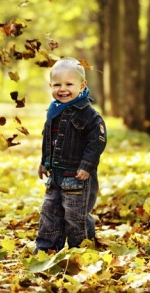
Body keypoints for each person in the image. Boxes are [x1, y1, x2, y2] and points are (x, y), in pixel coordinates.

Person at [35, 57, 107, 253]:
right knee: (49, 213)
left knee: (76, 217)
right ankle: (46, 251)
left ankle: (81, 252)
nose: (63, 89)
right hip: (55, 175)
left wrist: (86, 165)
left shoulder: (89, 115)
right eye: (57, 84)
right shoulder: (54, 112)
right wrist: (44, 162)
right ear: (50, 86)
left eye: (69, 84)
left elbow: (97, 142)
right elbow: (48, 139)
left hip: (77, 177)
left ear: (82, 85)